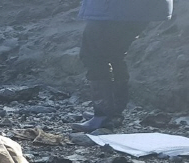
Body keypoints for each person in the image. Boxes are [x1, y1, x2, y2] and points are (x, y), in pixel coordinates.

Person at [71, 0, 173, 132]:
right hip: (129, 9)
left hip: (116, 9)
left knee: (94, 55)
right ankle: (113, 114)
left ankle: (103, 116)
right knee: (114, 55)